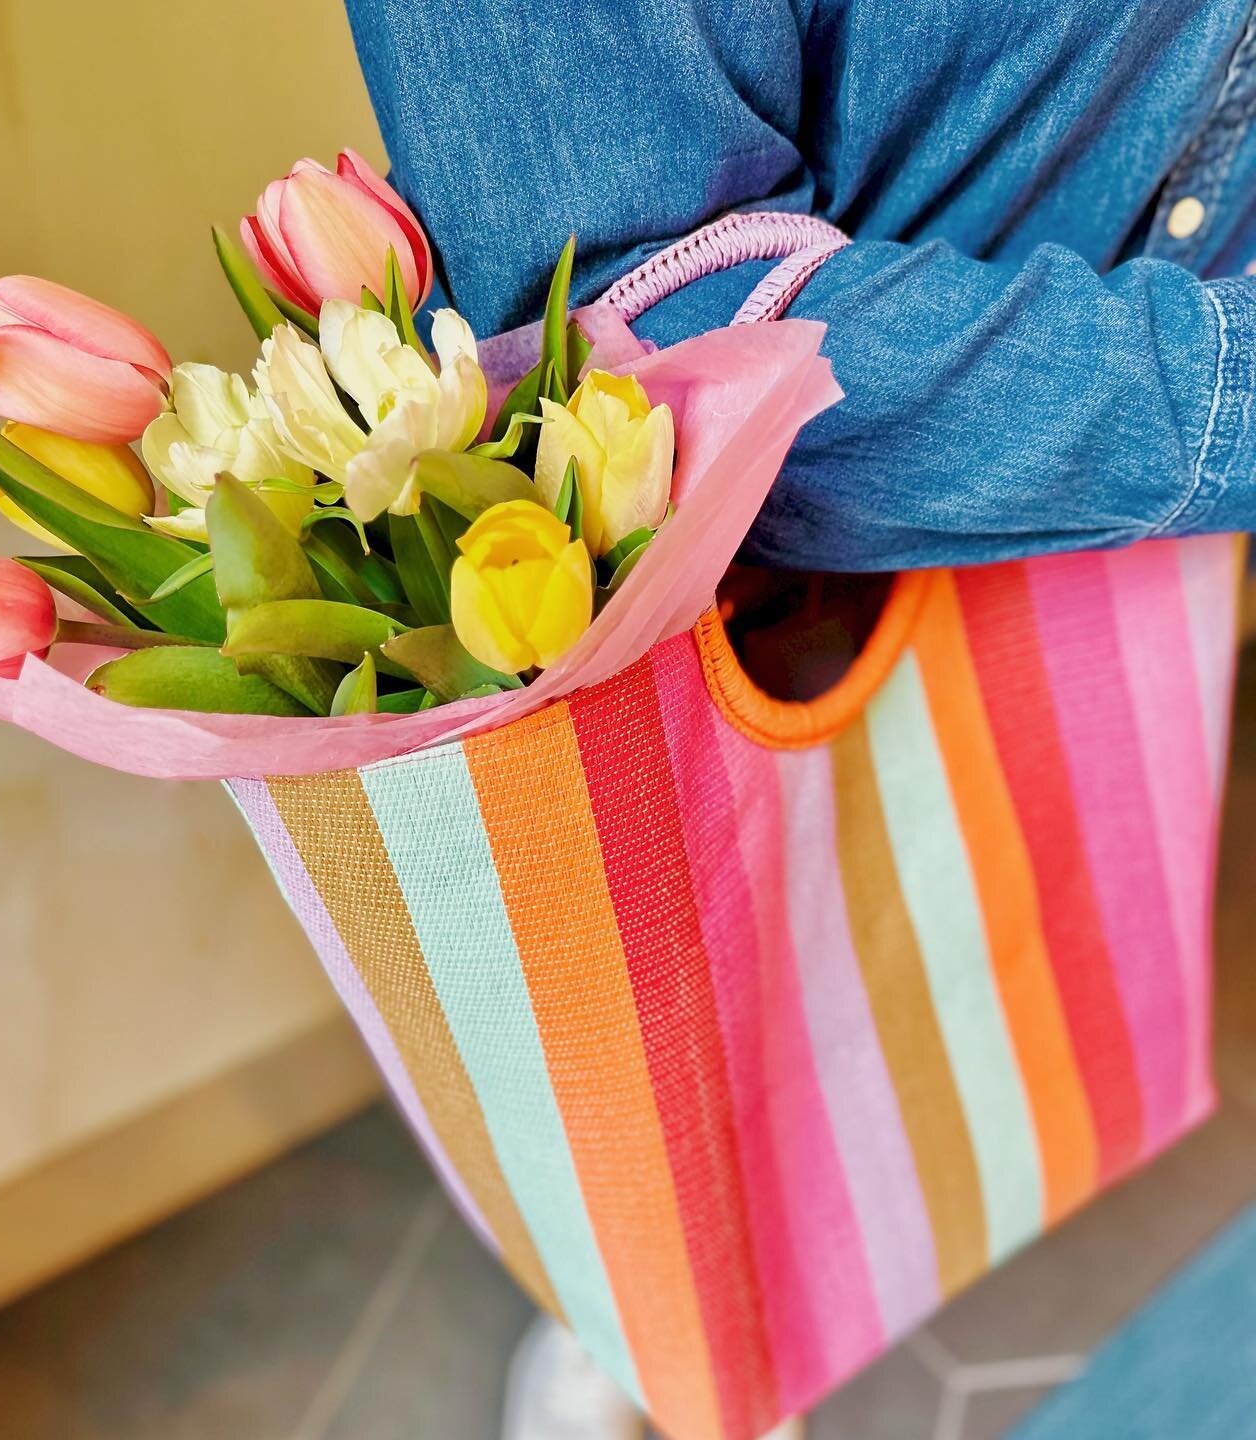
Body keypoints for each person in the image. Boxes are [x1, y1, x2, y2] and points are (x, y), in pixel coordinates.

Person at [340, 1, 1256, 1434]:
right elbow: (625, 323)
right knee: (700, 1071)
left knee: (941, 976)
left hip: (1093, 487)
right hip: (775, 560)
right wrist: (1225, 392)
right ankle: (652, 1340)